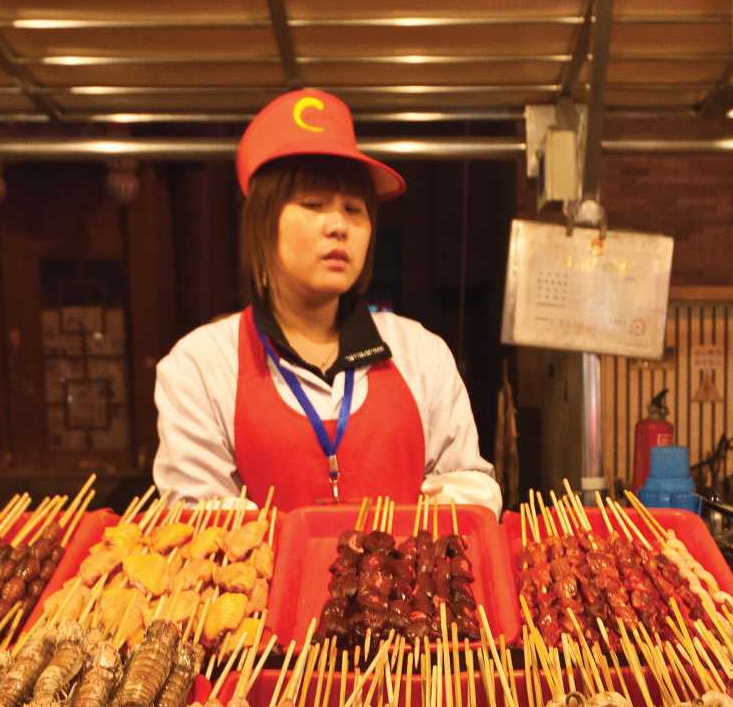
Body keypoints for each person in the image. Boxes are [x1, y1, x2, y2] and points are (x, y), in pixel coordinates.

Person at [153, 88, 501, 514]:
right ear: (263, 223)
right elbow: (196, 526)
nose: (338, 226)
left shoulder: (422, 353)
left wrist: (463, 498)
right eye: (313, 204)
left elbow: (469, 490)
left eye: (354, 209)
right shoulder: (199, 367)